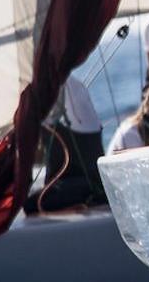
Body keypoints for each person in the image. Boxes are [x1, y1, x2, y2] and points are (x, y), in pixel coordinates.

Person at [25, 75, 108, 212]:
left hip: (79, 188)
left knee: (29, 205)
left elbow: (32, 155)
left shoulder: (53, 91)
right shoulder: (75, 87)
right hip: (98, 185)